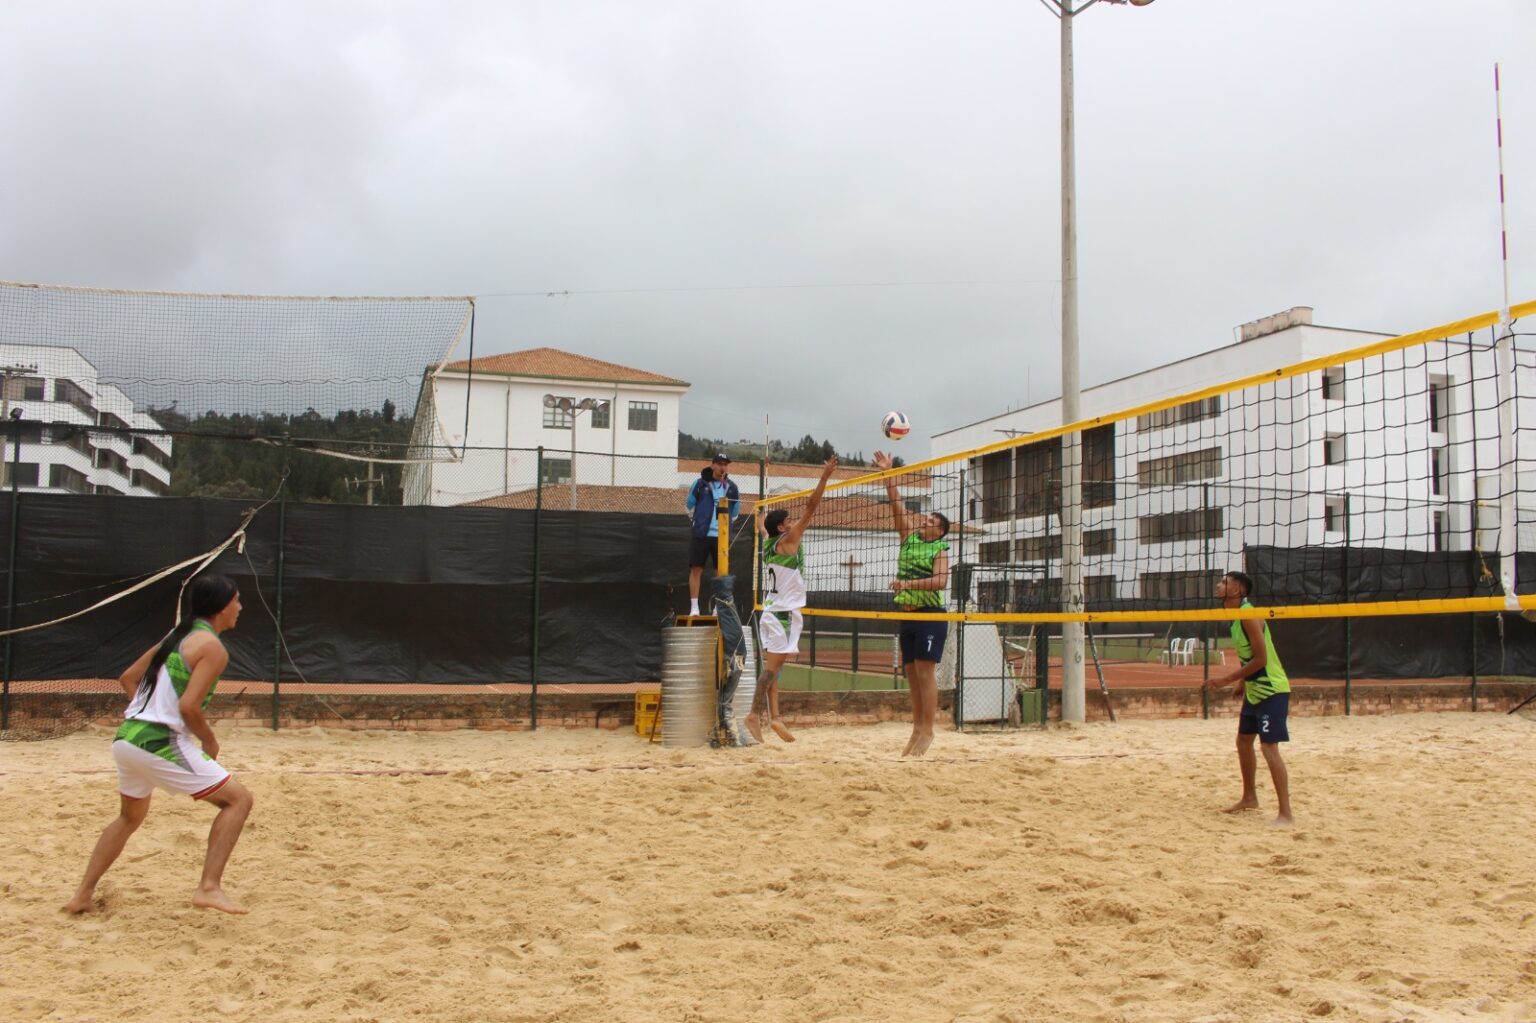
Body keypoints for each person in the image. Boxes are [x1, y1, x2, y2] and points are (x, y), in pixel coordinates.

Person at [64, 573, 255, 915]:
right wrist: (209, 741)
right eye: (237, 600)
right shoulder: (212, 647)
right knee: (239, 800)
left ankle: (82, 895)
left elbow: (127, 677)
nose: (240, 607)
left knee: (128, 818)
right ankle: (209, 887)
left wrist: (147, 712)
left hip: (127, 739)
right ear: (223, 606)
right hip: (157, 741)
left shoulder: (176, 635)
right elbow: (188, 708)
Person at [747, 456, 839, 743]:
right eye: (788, 520)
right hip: (783, 614)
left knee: (774, 669)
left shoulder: (769, 542)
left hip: (772, 611)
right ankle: (753, 715)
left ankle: (775, 717)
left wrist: (761, 518)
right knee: (771, 670)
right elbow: (812, 506)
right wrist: (824, 476)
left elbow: (763, 529)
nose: (792, 522)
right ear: (783, 528)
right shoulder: (789, 539)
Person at [872, 450, 951, 757]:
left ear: (939, 530)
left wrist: (907, 583)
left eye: (931, 520)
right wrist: (888, 473)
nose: (925, 520)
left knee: (925, 671)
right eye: (926, 517)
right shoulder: (909, 538)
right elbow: (897, 505)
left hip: (931, 614)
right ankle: (917, 729)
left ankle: (928, 730)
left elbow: (940, 582)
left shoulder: (941, 548)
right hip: (908, 615)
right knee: (912, 673)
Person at [1205, 570, 1294, 826]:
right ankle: (1249, 797)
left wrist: (1226, 680)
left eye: (1225, 582)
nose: (1219, 585)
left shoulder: (1249, 614)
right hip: (1255, 690)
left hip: (1272, 689)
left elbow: (1262, 659)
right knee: (1243, 742)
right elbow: (1249, 657)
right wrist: (1243, 683)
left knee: (1269, 748)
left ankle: (1286, 813)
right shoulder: (1234, 617)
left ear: (1238, 590)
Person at [686, 453, 741, 616]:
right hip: (701, 535)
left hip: (721, 537)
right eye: (720, 464)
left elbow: (736, 512)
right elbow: (688, 506)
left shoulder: (731, 487)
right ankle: (694, 608)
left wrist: (725, 527)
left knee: (721, 572)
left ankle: (719, 607)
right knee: (696, 569)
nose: (723, 467)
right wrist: (698, 522)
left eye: (726, 464)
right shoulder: (699, 484)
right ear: (713, 465)